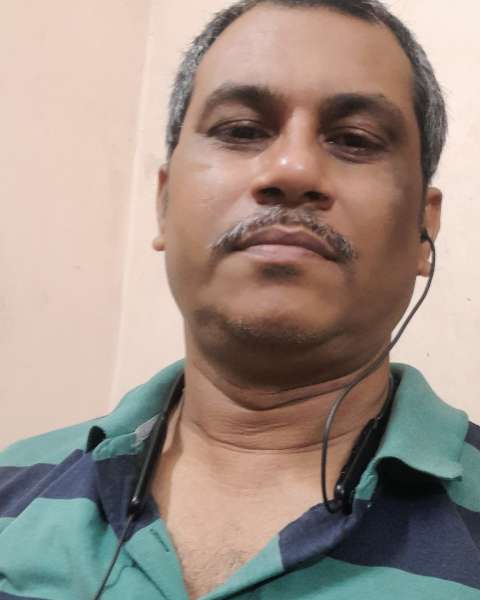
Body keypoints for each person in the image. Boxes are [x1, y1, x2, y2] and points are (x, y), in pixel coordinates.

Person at [1, 0, 479, 598]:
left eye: (354, 140)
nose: (293, 169)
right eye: (242, 131)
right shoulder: (10, 496)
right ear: (163, 203)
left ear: (423, 229)